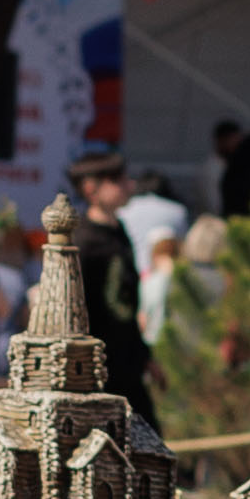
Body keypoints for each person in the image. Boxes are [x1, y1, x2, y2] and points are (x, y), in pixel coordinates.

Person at [65, 150, 160, 418]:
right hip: (96, 366)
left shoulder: (119, 231)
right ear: (91, 188)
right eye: (116, 180)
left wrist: (146, 356)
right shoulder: (83, 242)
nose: (127, 185)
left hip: (127, 358)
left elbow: (127, 301)